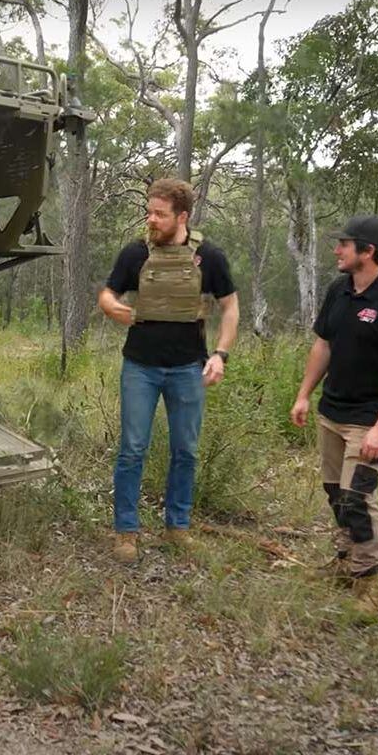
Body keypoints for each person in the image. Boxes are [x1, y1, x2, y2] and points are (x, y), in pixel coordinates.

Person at [98, 178, 239, 563]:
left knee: (185, 451)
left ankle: (177, 527)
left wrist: (220, 354)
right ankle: (126, 532)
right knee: (132, 450)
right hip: (140, 367)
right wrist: (110, 305)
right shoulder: (135, 253)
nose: (151, 220)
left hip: (188, 368)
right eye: (149, 212)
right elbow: (109, 292)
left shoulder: (209, 256)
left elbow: (230, 307)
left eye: (159, 214)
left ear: (183, 217)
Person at [290, 214, 378, 616]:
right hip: (332, 410)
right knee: (336, 493)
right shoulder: (338, 290)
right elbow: (323, 345)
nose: (336, 250)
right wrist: (304, 394)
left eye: (344, 244)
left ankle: (370, 583)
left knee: (358, 498)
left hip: (369, 419)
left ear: (368, 251)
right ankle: (345, 561)